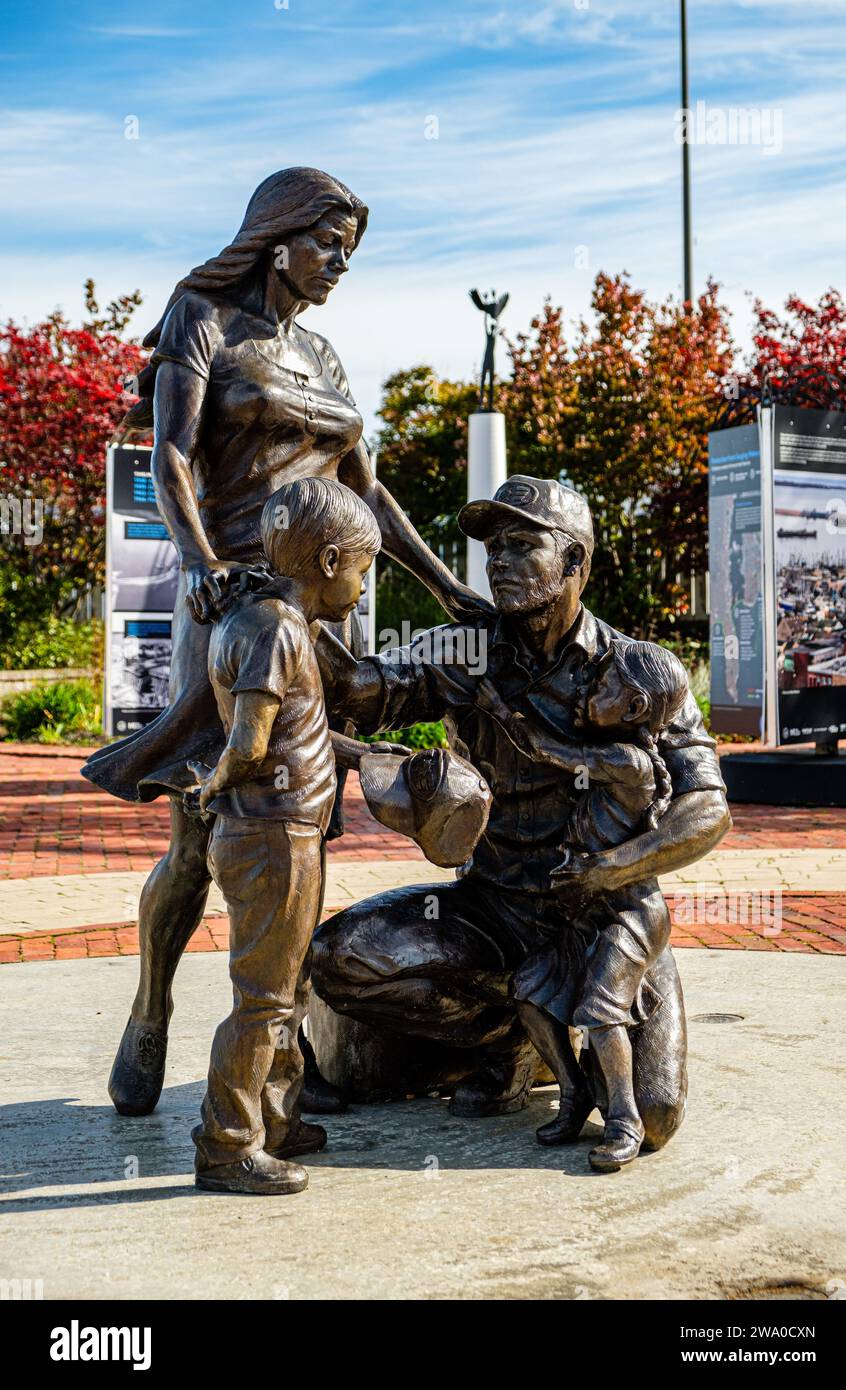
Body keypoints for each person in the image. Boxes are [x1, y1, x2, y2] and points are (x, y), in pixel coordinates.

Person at [82, 168, 486, 1118]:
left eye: (352, 247)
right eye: (329, 240)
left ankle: (280, 1050)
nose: (341, 261)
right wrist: (198, 562)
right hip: (231, 607)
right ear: (277, 236)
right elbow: (170, 454)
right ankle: (152, 1008)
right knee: (200, 831)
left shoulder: (328, 356)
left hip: (325, 610)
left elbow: (368, 492)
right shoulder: (201, 319)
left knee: (304, 821)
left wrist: (448, 587)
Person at [309, 476, 731, 1153]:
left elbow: (707, 807)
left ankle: (554, 1026)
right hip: (494, 907)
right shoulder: (463, 650)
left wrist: (609, 869)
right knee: (337, 960)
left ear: (574, 563)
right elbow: (362, 691)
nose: (498, 561)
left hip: (606, 916)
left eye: (521, 545)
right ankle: (518, 1039)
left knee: (653, 1117)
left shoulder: (640, 672)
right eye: (492, 548)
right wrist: (291, 600)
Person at [189, 476, 384, 1195]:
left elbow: (304, 730)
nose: (363, 589)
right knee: (263, 998)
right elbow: (248, 745)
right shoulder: (274, 627)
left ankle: (278, 1114)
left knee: (289, 984)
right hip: (274, 835)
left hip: (289, 829)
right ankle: (226, 1143)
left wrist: (373, 757)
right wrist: (212, 788)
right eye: (363, 569)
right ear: (330, 560)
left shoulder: (272, 622)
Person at [474, 638, 690, 1170]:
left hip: (629, 916)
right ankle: (574, 1094)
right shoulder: (612, 754)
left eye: (603, 685)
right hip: (586, 913)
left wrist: (500, 710)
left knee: (599, 1011)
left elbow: (549, 751)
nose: (588, 689)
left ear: (635, 708)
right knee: (530, 991)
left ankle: (624, 1120)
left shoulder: (629, 762)